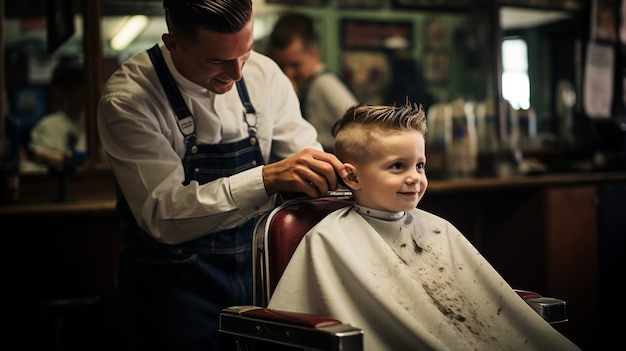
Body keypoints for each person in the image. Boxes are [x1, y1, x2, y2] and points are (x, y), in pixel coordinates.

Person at [96, 1, 346, 350]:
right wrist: (265, 180)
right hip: (175, 292)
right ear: (173, 45)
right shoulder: (129, 100)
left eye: (246, 51)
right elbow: (161, 214)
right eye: (217, 61)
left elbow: (302, 156)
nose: (238, 73)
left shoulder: (265, 74)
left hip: (261, 277)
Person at [267, 102, 581, 351]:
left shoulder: (438, 229)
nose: (415, 177)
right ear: (352, 177)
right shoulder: (329, 239)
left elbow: (482, 302)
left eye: (420, 165)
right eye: (397, 166)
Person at [266, 11, 357, 153]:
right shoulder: (305, 86)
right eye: (282, 66)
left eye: (295, 65)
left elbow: (360, 124)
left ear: (313, 51)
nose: (288, 73)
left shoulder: (325, 84)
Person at [29, 59, 87, 171]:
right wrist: (66, 159)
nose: (77, 96)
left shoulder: (95, 123)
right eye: (70, 90)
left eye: (80, 88)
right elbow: (38, 154)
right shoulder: (47, 126)